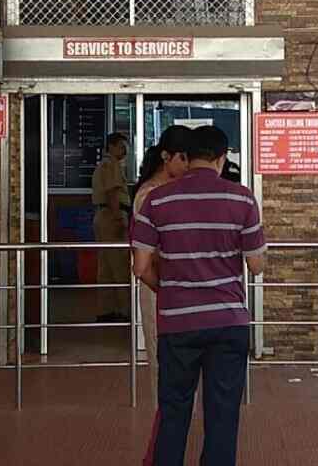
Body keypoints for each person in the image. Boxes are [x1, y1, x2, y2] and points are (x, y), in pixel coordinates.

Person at [132, 126, 267, 466]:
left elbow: (140, 266)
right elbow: (255, 265)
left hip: (177, 325)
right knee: (223, 416)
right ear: (222, 158)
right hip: (228, 323)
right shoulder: (242, 198)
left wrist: (168, 291)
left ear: (187, 158)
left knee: (174, 413)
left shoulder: (156, 199)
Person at [131, 125, 193, 466]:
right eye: (182, 158)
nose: (186, 165)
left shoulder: (177, 190)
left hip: (179, 292)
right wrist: (165, 286)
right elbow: (146, 256)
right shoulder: (149, 194)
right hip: (159, 289)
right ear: (167, 156)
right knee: (162, 367)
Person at [92, 132, 132, 322]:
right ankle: (124, 310)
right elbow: (113, 193)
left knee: (106, 265)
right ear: (111, 146)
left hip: (103, 215)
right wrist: (119, 220)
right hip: (112, 215)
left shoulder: (104, 165)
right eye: (122, 146)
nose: (125, 150)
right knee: (119, 264)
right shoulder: (112, 165)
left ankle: (105, 310)